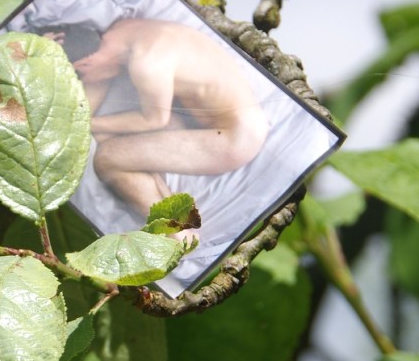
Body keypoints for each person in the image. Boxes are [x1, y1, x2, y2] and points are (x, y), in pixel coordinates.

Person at [41, 17, 268, 222]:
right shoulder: (123, 29)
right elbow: (92, 92)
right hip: (209, 119)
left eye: (81, 79)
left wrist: (86, 123)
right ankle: (175, 213)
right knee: (108, 136)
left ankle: (179, 235)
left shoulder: (147, 64)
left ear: (83, 66)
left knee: (107, 159)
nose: (87, 84)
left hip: (237, 137)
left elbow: (154, 121)